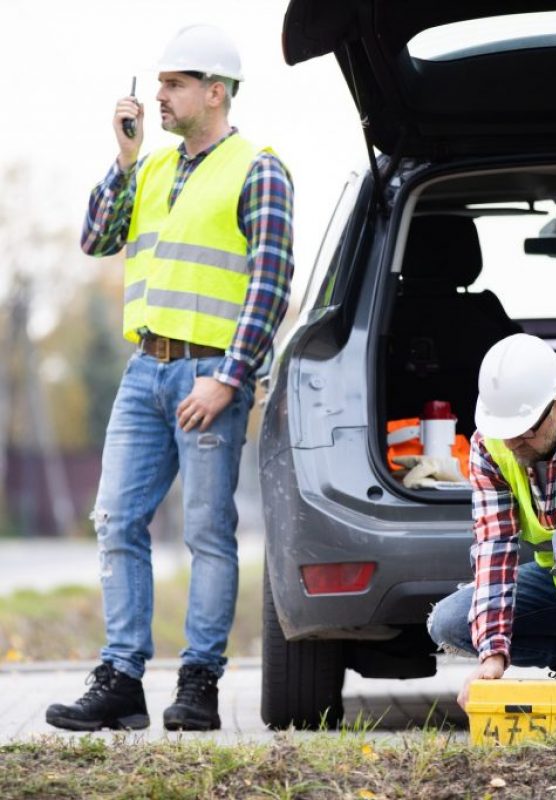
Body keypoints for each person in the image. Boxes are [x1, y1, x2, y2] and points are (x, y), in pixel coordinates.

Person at [45, 23, 294, 732]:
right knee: (116, 520)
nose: (159, 95)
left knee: (207, 534)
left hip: (211, 373)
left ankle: (200, 685)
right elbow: (96, 238)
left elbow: (270, 286)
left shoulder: (259, 168)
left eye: (175, 83)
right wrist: (122, 161)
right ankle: (122, 680)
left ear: (214, 93)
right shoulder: (150, 169)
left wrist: (229, 378)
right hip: (143, 372)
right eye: (159, 83)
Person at [428, 333, 556, 720]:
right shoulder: (491, 446)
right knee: (452, 623)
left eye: (524, 432)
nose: (514, 446)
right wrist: (492, 655)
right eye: (506, 433)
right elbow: (494, 547)